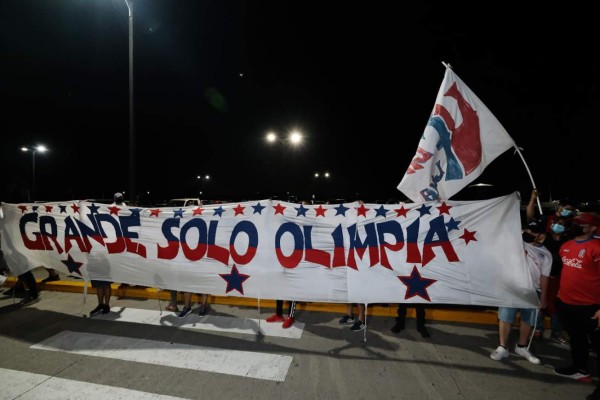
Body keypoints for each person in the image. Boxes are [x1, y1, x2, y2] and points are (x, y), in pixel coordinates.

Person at [489, 219, 551, 364]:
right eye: (526, 230)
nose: (527, 234)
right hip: (511, 287)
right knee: (505, 317)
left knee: (528, 319)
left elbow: (544, 277)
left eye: (532, 232)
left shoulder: (545, 254)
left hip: (532, 290)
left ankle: (522, 346)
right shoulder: (515, 244)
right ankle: (502, 347)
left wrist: (543, 297)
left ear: (541, 236)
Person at [553, 213, 600, 400]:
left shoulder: (596, 248)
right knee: (577, 339)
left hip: (591, 307)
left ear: (592, 229)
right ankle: (579, 369)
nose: (576, 225)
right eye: (576, 223)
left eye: (581, 224)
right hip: (566, 304)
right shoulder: (566, 246)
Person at [527, 189, 570, 344]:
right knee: (539, 306)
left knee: (556, 308)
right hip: (542, 278)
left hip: (559, 279)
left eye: (561, 225)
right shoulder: (543, 237)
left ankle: (557, 332)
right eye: (555, 224)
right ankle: (537, 329)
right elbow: (530, 218)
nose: (557, 226)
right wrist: (532, 199)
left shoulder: (568, 240)